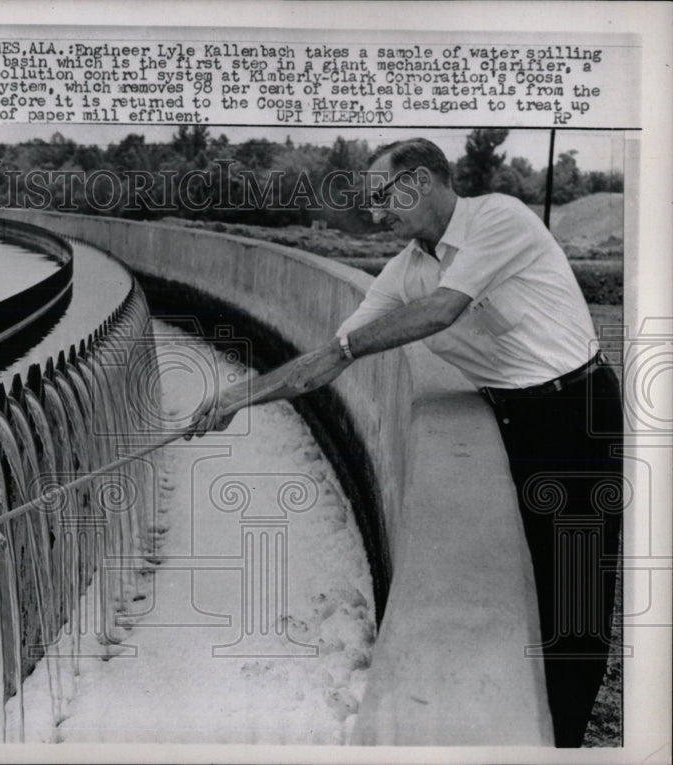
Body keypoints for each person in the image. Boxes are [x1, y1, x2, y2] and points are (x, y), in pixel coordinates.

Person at [187, 137, 623, 747]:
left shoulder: (499, 218)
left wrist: (347, 348)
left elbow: (442, 312)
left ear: (421, 181)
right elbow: (325, 360)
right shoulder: (406, 269)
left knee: (575, 590)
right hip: (514, 419)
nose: (375, 215)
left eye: (383, 198)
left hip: (576, 410)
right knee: (531, 579)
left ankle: (568, 741)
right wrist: (237, 399)